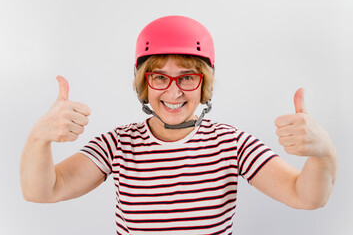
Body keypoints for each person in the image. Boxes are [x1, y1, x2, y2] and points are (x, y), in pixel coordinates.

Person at [20, 15, 337, 235]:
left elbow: (305, 196)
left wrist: (324, 154)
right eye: (159, 77)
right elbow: (43, 191)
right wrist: (38, 138)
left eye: (187, 76)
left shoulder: (233, 144)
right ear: (145, 83)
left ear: (204, 83)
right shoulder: (116, 145)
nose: (173, 92)